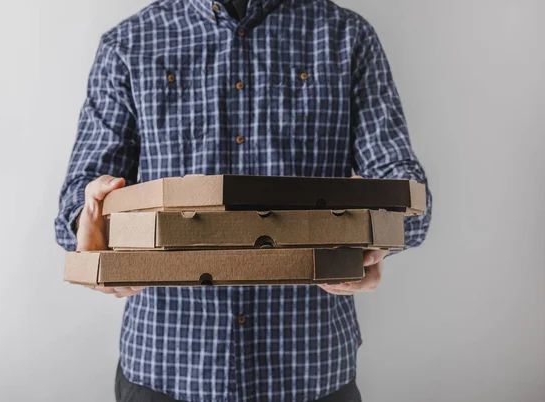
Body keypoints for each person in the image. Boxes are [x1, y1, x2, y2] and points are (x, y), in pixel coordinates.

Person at [55, 0, 433, 401]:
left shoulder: (347, 37)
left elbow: (408, 195)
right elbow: (77, 200)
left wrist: (377, 232)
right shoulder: (128, 43)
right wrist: (91, 227)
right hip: (166, 367)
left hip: (310, 369)